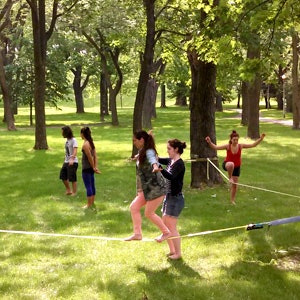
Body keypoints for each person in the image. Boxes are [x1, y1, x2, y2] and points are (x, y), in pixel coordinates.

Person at [125, 130, 170, 242]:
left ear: (142, 140)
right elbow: (144, 155)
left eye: (135, 140)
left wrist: (155, 166)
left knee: (149, 213)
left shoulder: (149, 151)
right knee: (134, 207)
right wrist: (138, 156)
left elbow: (152, 159)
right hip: (146, 190)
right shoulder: (143, 151)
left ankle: (166, 232)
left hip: (156, 188)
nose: (134, 143)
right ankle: (137, 234)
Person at [205, 130, 265, 205]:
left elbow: (253, 145)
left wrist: (261, 139)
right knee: (231, 164)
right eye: (234, 140)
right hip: (227, 165)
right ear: (231, 140)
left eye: (237, 139)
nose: (236, 141)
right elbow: (215, 147)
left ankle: (232, 201)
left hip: (237, 167)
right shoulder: (227, 146)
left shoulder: (240, 146)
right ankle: (230, 178)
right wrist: (209, 142)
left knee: (235, 185)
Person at [157, 139, 186, 260]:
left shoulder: (179, 164)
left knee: (171, 228)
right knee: (165, 226)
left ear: (176, 150)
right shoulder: (171, 160)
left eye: (169, 148)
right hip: (168, 197)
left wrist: (160, 169)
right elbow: (158, 159)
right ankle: (172, 251)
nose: (167, 151)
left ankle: (178, 253)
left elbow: (171, 177)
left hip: (175, 199)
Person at [80, 127, 100, 212]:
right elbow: (95, 156)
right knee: (92, 185)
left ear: (82, 134)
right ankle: (92, 202)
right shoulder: (91, 143)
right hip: (91, 168)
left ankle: (89, 204)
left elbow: (90, 158)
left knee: (88, 186)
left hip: (86, 168)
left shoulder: (85, 145)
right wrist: (95, 167)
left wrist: (93, 167)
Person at [59, 126, 78, 196]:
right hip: (66, 161)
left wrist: (72, 159)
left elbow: (75, 151)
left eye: (62, 132)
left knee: (72, 178)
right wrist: (65, 160)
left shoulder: (74, 140)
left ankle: (74, 192)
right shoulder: (67, 140)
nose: (61, 133)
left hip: (73, 162)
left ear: (66, 132)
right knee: (62, 176)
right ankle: (69, 190)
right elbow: (67, 152)